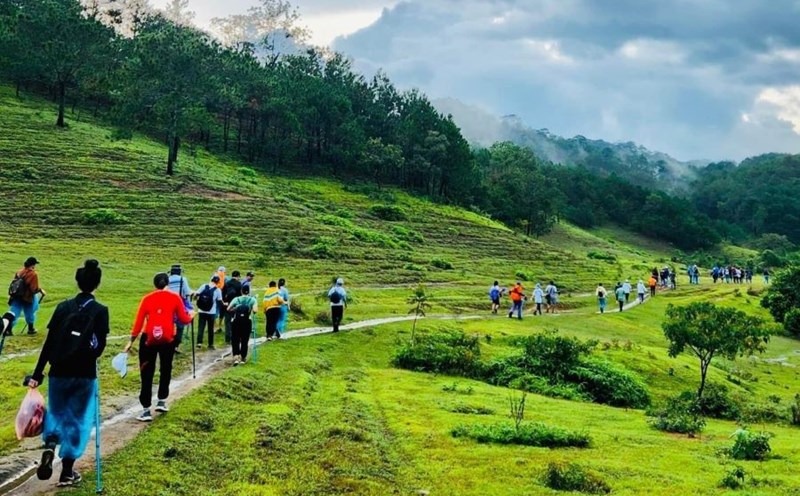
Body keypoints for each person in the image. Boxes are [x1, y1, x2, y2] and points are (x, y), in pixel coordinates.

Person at [29, 260, 107, 487]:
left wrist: (37, 374)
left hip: (58, 372)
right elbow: (99, 348)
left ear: (77, 282)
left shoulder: (63, 307)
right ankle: (67, 473)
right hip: (84, 374)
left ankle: (50, 446)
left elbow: (50, 342)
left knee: (57, 411)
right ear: (97, 284)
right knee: (77, 420)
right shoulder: (100, 311)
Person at [125, 273, 194, 422]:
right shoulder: (175, 297)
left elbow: (138, 321)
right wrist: (192, 315)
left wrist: (131, 340)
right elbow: (184, 319)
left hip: (148, 338)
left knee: (146, 372)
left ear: (154, 284)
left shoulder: (147, 298)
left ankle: (145, 410)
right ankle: (162, 400)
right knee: (166, 368)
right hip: (168, 338)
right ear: (167, 283)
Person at [7, 257, 46, 335]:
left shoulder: (19, 272)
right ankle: (31, 329)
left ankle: (8, 330)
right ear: (33, 265)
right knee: (29, 313)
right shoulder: (33, 274)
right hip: (27, 297)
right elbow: (34, 289)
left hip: (16, 296)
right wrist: (41, 291)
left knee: (14, 312)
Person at [227, 285, 257, 365]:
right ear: (249, 291)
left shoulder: (236, 299)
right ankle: (243, 358)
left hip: (236, 322)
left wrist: (235, 308)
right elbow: (255, 311)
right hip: (247, 322)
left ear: (241, 291)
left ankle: (236, 357)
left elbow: (228, 309)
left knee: (235, 339)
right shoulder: (252, 300)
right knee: (245, 340)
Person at [167, 264, 192, 352]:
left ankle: (168, 342)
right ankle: (176, 345)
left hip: (168, 305)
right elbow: (187, 292)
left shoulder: (167, 279)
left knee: (169, 324)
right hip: (179, 305)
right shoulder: (182, 279)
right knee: (180, 326)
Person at [195, 275, 223, 350]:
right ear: (218, 282)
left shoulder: (204, 286)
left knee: (201, 327)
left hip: (201, 310)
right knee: (210, 328)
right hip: (211, 312)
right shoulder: (218, 290)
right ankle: (210, 344)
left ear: (211, 280)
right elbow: (220, 301)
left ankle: (199, 343)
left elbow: (196, 294)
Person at [222, 271, 243, 345]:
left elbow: (223, 293)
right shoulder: (239, 284)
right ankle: (235, 337)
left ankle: (227, 338)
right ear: (237, 276)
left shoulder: (227, 283)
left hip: (227, 305)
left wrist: (225, 302)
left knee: (227, 322)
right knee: (236, 322)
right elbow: (240, 295)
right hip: (236, 305)